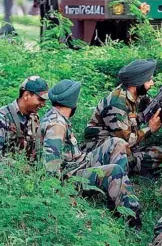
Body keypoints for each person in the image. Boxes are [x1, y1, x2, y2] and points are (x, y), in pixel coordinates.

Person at [41, 80, 142, 228]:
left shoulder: (55, 116)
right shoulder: (57, 126)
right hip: (71, 177)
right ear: (72, 103)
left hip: (78, 163)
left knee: (116, 143)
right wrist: (62, 195)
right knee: (115, 170)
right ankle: (131, 215)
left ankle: (114, 196)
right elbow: (51, 166)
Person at [84, 59, 162, 175]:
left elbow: (158, 112)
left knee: (161, 153)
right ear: (138, 82)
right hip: (103, 150)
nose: (152, 83)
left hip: (126, 147)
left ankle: (127, 165)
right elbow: (126, 140)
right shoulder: (117, 103)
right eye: (149, 80)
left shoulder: (137, 95)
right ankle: (116, 169)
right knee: (138, 158)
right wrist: (149, 129)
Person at [0, 76, 48, 175]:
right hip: (1, 166)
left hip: (25, 167)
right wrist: (18, 166)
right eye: (40, 99)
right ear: (26, 95)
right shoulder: (0, 117)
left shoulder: (34, 117)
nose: (43, 104)